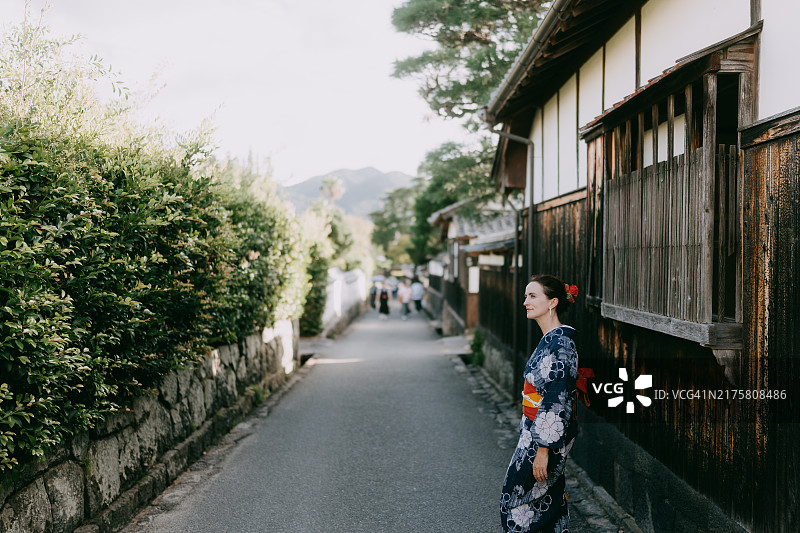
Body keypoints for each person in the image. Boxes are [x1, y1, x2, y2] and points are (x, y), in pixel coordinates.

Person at [500, 274, 580, 533]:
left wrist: (543, 450)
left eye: (532, 296)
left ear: (553, 302)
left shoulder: (562, 344)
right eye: (526, 296)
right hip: (536, 430)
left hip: (546, 437)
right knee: (548, 500)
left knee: (515, 500)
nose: (526, 301)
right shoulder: (552, 340)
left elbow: (558, 397)